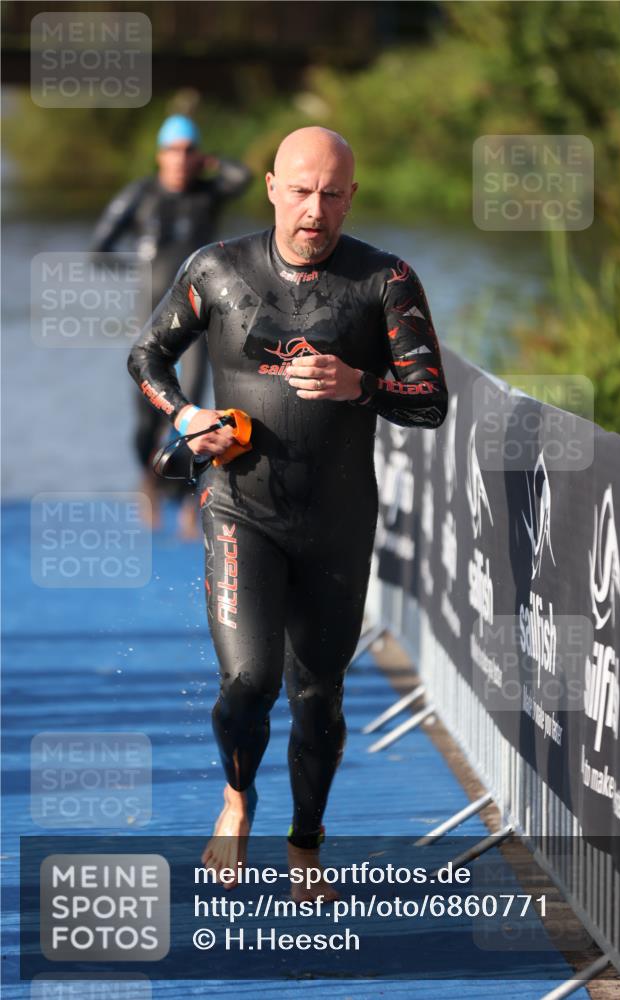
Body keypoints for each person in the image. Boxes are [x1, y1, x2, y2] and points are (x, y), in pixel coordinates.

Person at [127, 126, 448, 900]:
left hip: (337, 520)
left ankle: (305, 845)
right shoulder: (217, 270)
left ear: (351, 197)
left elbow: (431, 400)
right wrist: (182, 415)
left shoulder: (385, 281)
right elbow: (148, 357)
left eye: (332, 194)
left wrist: (360, 386)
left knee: (318, 697)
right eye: (301, 190)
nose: (315, 210)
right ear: (271, 186)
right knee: (249, 682)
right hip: (240, 506)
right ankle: (237, 797)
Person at [92, 114, 252, 535]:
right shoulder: (142, 195)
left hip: (200, 320)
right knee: (148, 413)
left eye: (188, 152)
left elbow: (245, 176)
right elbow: (99, 246)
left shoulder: (208, 193)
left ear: (197, 157)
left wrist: (212, 164)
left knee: (194, 405)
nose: (180, 160)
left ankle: (187, 496)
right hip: (153, 320)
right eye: (173, 151)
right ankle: (148, 479)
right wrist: (136, 267)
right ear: (160, 155)